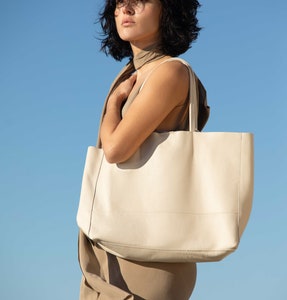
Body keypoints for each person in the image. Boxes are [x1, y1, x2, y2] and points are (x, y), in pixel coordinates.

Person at [78, 0, 209, 299]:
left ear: (169, 9)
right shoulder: (132, 74)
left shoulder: (170, 72)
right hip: (116, 243)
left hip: (150, 255)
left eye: (141, 0)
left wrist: (114, 105)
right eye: (120, 1)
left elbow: (114, 149)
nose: (126, 8)